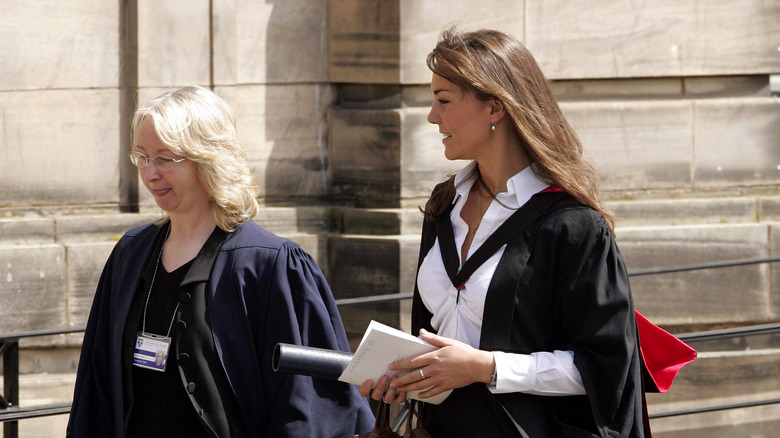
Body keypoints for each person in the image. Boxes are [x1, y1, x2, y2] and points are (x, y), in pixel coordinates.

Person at [359, 28, 647, 437]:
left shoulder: (571, 225)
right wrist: (405, 380)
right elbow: (431, 337)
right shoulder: (445, 204)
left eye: (444, 100)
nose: (431, 116)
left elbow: (607, 370)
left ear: (495, 108)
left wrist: (486, 368)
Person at [67, 85, 374, 437]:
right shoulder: (131, 253)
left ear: (207, 158)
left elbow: (305, 405)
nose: (150, 174)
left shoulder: (269, 265)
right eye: (142, 157)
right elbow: (97, 388)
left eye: (165, 158)